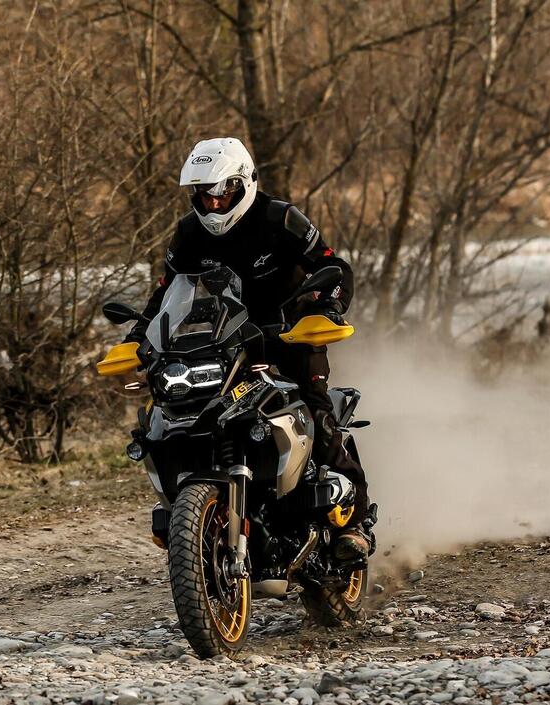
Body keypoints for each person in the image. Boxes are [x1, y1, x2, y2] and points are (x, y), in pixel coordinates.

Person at [125, 137, 371, 560]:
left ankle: (356, 524)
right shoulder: (189, 233)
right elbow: (166, 291)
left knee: (316, 410)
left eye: (222, 192)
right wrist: (139, 336)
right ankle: (199, 519)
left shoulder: (279, 218)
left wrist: (327, 308)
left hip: (289, 336)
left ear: (244, 184)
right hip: (224, 342)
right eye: (204, 194)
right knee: (175, 418)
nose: (213, 203)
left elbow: (333, 266)